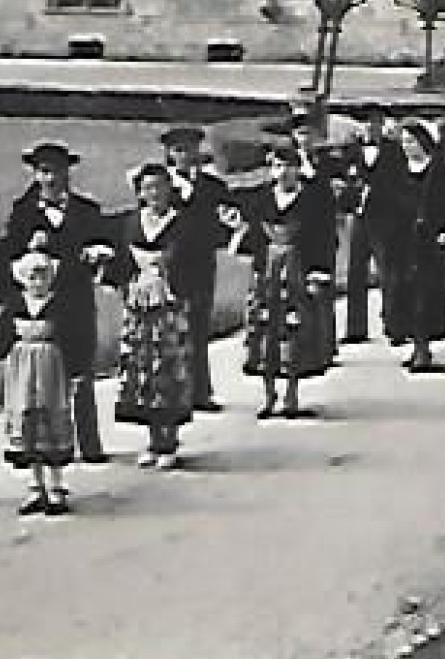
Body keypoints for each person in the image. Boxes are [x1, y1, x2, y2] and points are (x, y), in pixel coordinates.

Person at [4, 141, 113, 464]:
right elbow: (10, 258)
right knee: (43, 375)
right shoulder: (23, 212)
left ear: (68, 173)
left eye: (56, 172)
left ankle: (89, 443)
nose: (50, 179)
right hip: (42, 303)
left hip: (76, 301)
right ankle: (47, 444)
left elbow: (102, 248)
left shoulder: (87, 211)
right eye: (43, 172)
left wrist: (94, 257)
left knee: (80, 370)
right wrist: (29, 249)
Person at [224, 142, 337, 419]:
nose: (283, 172)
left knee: (295, 331)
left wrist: (318, 271)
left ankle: (291, 393)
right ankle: (268, 393)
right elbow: (251, 234)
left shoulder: (312, 200)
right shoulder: (261, 199)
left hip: (298, 271)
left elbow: (323, 238)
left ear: (298, 169)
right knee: (265, 331)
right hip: (268, 275)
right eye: (277, 166)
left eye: (289, 166)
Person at [103, 163, 197, 469]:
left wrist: (172, 281)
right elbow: (120, 262)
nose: (154, 194)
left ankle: (169, 437)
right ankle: (152, 437)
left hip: (169, 306)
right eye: (148, 188)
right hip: (139, 306)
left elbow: (193, 263)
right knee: (142, 368)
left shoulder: (182, 223)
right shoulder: (131, 223)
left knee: (168, 368)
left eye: (159, 187)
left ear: (170, 189)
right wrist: (122, 283)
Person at [0, 247, 88, 516]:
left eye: (42, 276)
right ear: (22, 278)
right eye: (32, 277)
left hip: (51, 369)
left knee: (51, 422)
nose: (37, 282)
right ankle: (35, 485)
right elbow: (1, 338)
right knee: (27, 421)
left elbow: (74, 340)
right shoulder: (15, 305)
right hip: (22, 372)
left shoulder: (61, 305)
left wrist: (76, 372)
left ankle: (56, 487)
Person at [380, 119, 445, 372]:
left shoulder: (441, 171)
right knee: (402, 291)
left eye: (412, 141)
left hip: (431, 240)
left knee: (426, 295)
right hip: (402, 240)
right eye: (404, 142)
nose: (407, 147)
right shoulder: (395, 171)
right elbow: (385, 203)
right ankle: (414, 342)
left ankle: (423, 347)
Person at [160, 125, 231, 413]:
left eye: (189, 149)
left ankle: (200, 390)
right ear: (169, 154)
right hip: (171, 266)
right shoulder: (160, 189)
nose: (184, 156)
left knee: (199, 325)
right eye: (178, 150)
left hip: (202, 264)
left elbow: (226, 221)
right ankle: (174, 390)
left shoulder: (212, 188)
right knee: (171, 328)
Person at [342, 107, 403, 345]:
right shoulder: (351, 151)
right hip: (358, 218)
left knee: (388, 272)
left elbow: (400, 184)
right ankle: (356, 328)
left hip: (385, 219)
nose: (369, 127)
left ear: (381, 124)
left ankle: (394, 325)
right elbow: (341, 182)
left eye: (374, 123)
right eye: (365, 123)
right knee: (356, 272)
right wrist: (351, 199)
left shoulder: (394, 151)